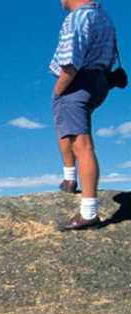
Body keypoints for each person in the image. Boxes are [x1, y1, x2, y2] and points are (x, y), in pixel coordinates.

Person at [51, 0, 117, 231]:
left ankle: (88, 212)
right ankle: (69, 179)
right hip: (99, 81)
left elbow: (70, 63)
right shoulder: (102, 16)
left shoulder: (77, 18)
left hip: (78, 82)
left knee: (83, 146)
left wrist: (59, 90)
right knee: (65, 126)